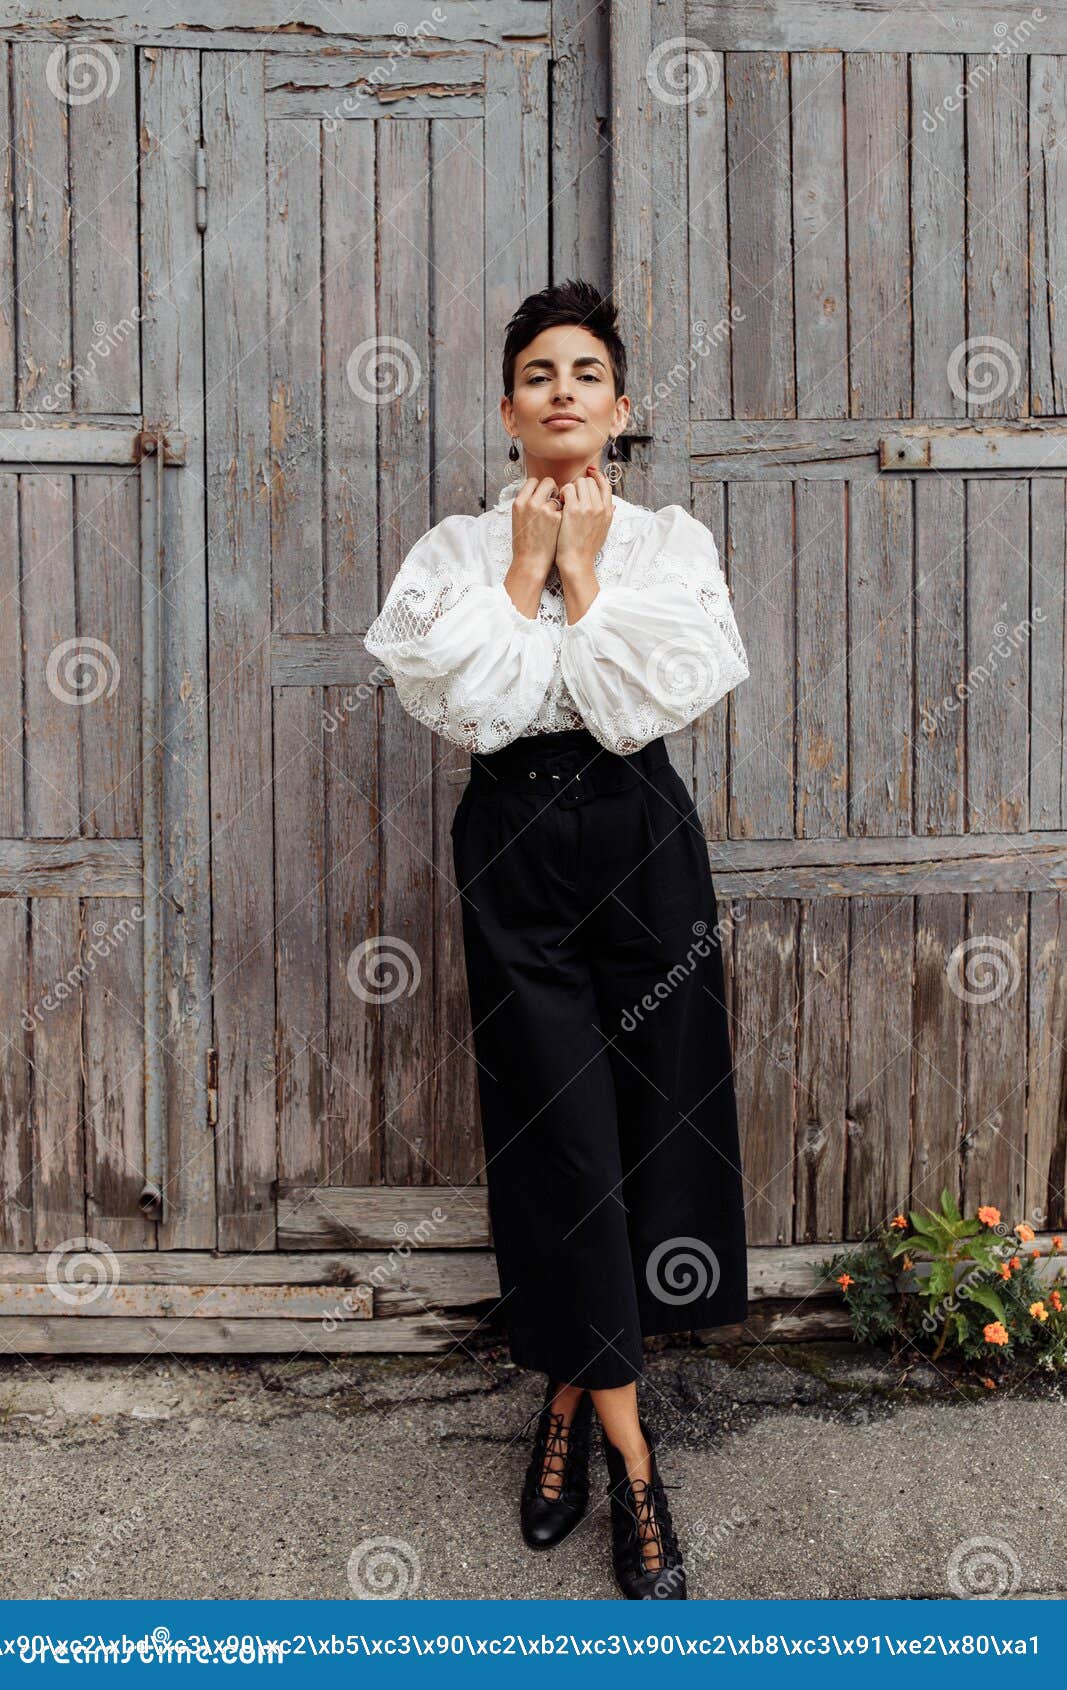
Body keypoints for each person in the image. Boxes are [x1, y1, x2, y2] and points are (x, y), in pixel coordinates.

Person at [364, 279, 750, 1600]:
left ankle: (569, 1407)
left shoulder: (674, 542)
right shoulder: (455, 551)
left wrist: (583, 581)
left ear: (622, 406)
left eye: (588, 371)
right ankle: (640, 1470)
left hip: (641, 841)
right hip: (518, 851)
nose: (565, 390)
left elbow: (653, 696)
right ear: (513, 405)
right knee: (563, 1140)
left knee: (652, 1129)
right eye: (539, 372)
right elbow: (469, 695)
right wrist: (526, 571)